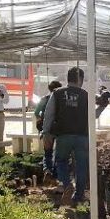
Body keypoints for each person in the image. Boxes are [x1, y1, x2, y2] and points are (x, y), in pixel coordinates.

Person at [42, 68, 89, 205]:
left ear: (68, 79)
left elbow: (48, 114)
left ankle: (67, 184)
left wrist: (46, 133)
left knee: (61, 161)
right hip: (82, 136)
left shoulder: (57, 94)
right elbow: (93, 116)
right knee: (81, 165)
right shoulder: (85, 95)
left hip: (63, 135)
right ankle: (79, 196)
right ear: (80, 79)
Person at [35, 80, 62, 181]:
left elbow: (37, 112)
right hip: (58, 129)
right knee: (57, 152)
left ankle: (47, 170)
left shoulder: (44, 99)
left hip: (46, 129)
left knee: (47, 152)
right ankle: (55, 174)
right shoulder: (61, 100)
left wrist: (40, 122)